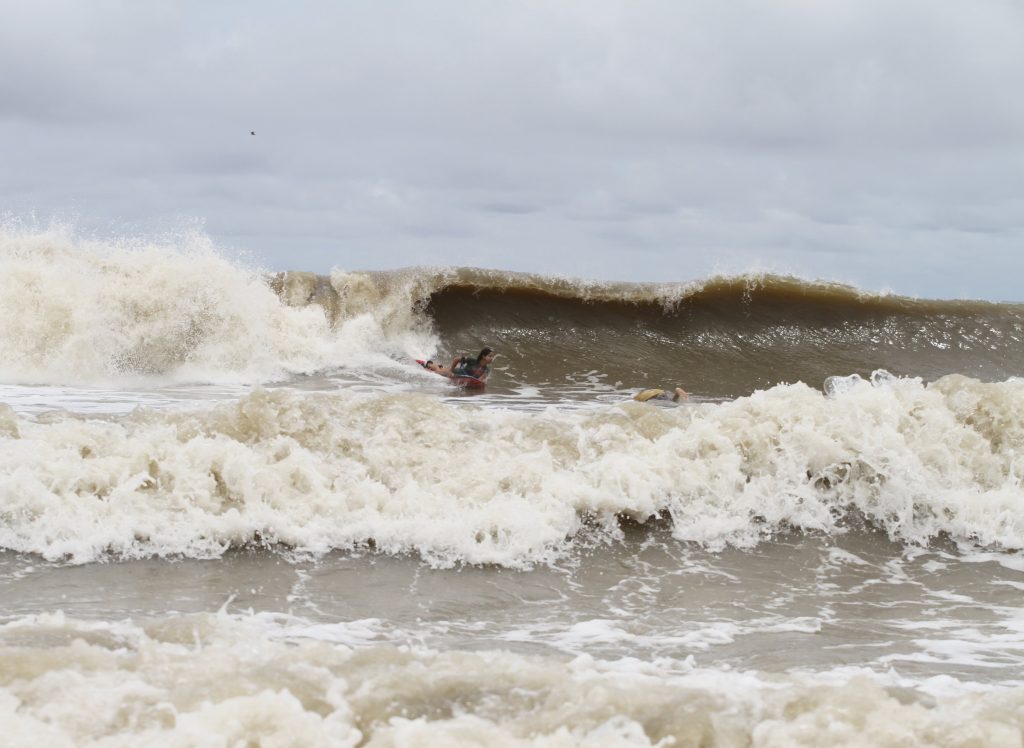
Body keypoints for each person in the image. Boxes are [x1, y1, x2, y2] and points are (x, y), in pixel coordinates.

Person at [421, 347, 496, 382]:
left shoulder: (486, 370)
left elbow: (479, 380)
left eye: (492, 356)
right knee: (437, 371)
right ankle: (428, 364)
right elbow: (457, 359)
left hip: (459, 377)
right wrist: (451, 370)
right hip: (456, 372)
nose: (492, 358)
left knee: (441, 370)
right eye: (490, 356)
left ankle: (439, 366)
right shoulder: (473, 361)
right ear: (483, 356)